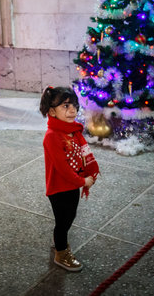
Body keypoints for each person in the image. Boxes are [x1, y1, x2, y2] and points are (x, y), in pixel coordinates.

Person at [40, 86, 100, 272]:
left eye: (74, 105)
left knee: (70, 216)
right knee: (63, 221)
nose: (72, 110)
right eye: (65, 106)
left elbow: (78, 157)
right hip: (59, 188)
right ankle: (61, 252)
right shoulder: (52, 136)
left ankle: (59, 239)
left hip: (72, 185)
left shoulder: (73, 131)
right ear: (52, 111)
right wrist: (83, 182)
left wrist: (85, 173)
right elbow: (63, 168)